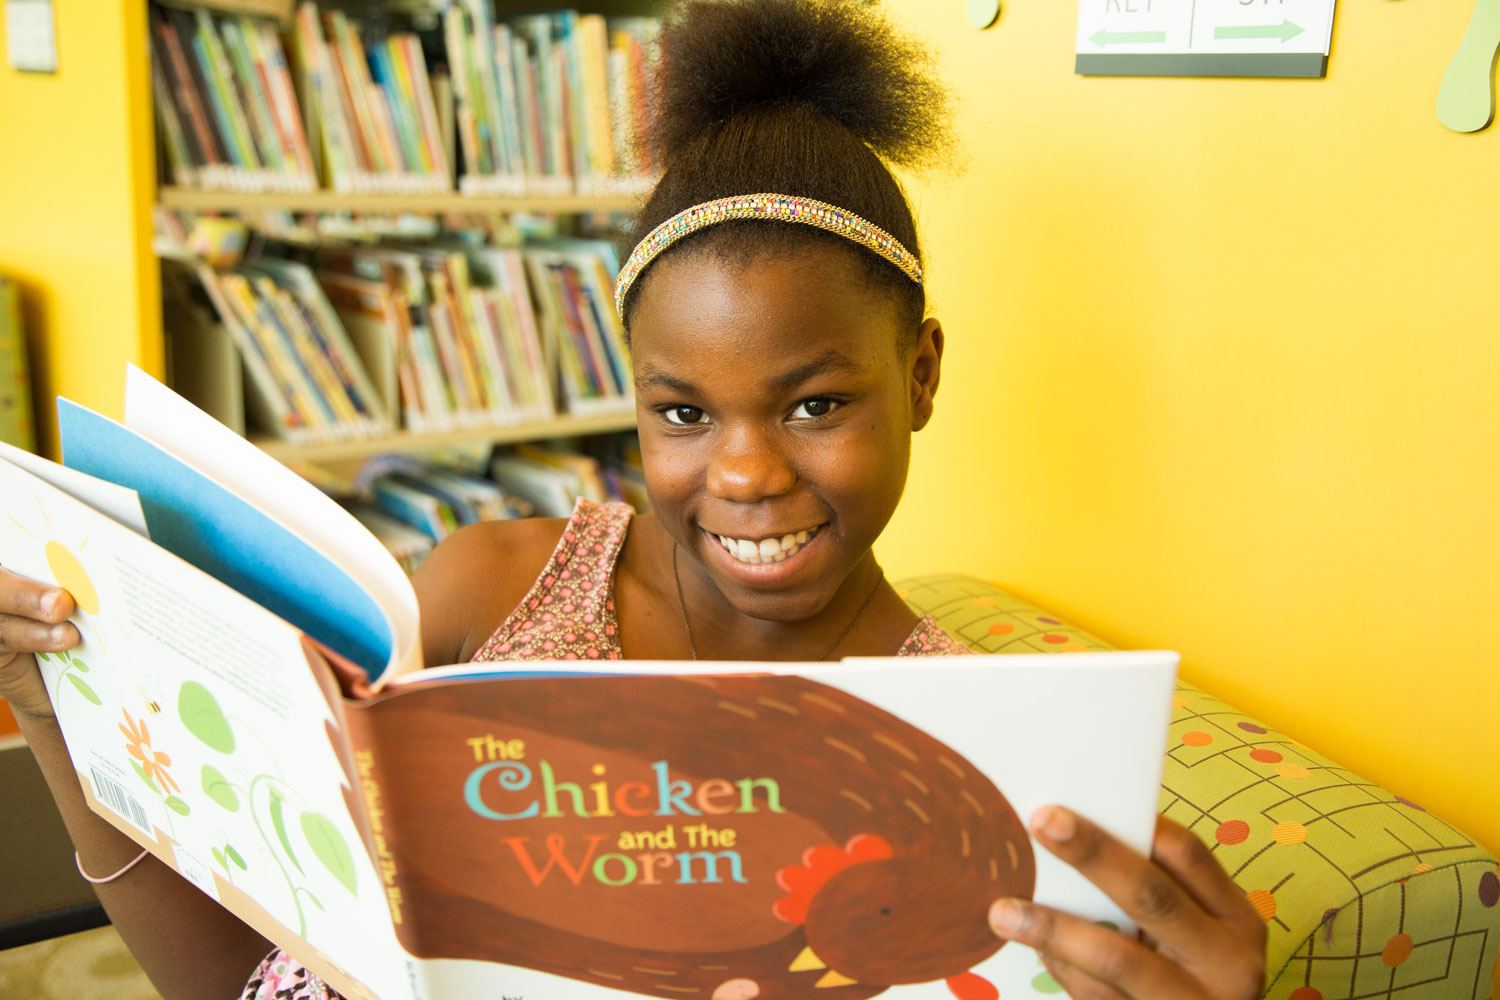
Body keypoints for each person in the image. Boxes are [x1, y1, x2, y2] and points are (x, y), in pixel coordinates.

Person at [0, 0, 1267, 997]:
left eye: (815, 404)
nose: (744, 473)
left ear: (921, 374)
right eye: (683, 412)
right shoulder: (489, 590)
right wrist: (54, 707)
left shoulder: (977, 756)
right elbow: (246, 979)